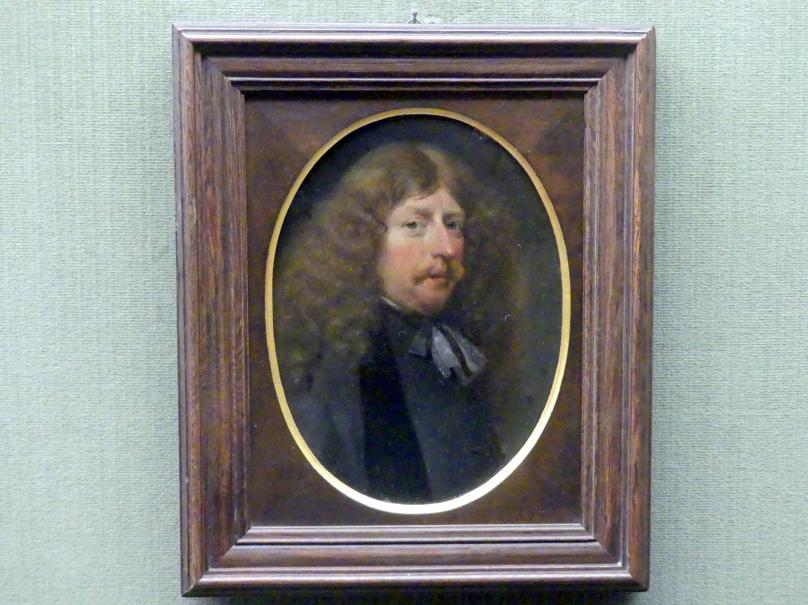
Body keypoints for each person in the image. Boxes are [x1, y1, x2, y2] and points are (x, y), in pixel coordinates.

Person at [274, 142, 525, 503]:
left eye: (453, 224)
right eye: (414, 224)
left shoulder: (457, 351)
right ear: (363, 239)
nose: (445, 247)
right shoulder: (336, 364)